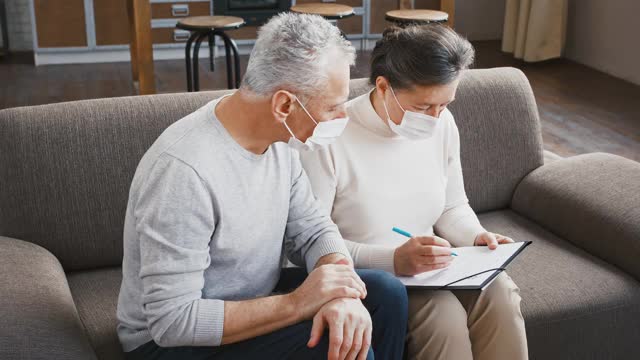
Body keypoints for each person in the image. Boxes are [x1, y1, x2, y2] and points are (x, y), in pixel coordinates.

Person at [116, 13, 408, 360]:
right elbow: (173, 322)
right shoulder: (184, 172)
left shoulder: (280, 141)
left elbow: (313, 231)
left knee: (386, 293)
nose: (342, 119)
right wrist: (299, 303)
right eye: (332, 108)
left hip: (250, 300)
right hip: (169, 344)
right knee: (337, 346)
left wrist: (340, 289)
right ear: (284, 104)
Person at [300, 25, 529, 360]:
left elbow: (452, 206)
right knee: (444, 318)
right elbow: (308, 241)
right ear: (383, 86)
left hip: (433, 268)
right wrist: (393, 260)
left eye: (445, 104)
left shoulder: (444, 124)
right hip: (373, 276)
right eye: (424, 108)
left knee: (500, 291)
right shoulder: (330, 137)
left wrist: (476, 236)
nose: (436, 118)